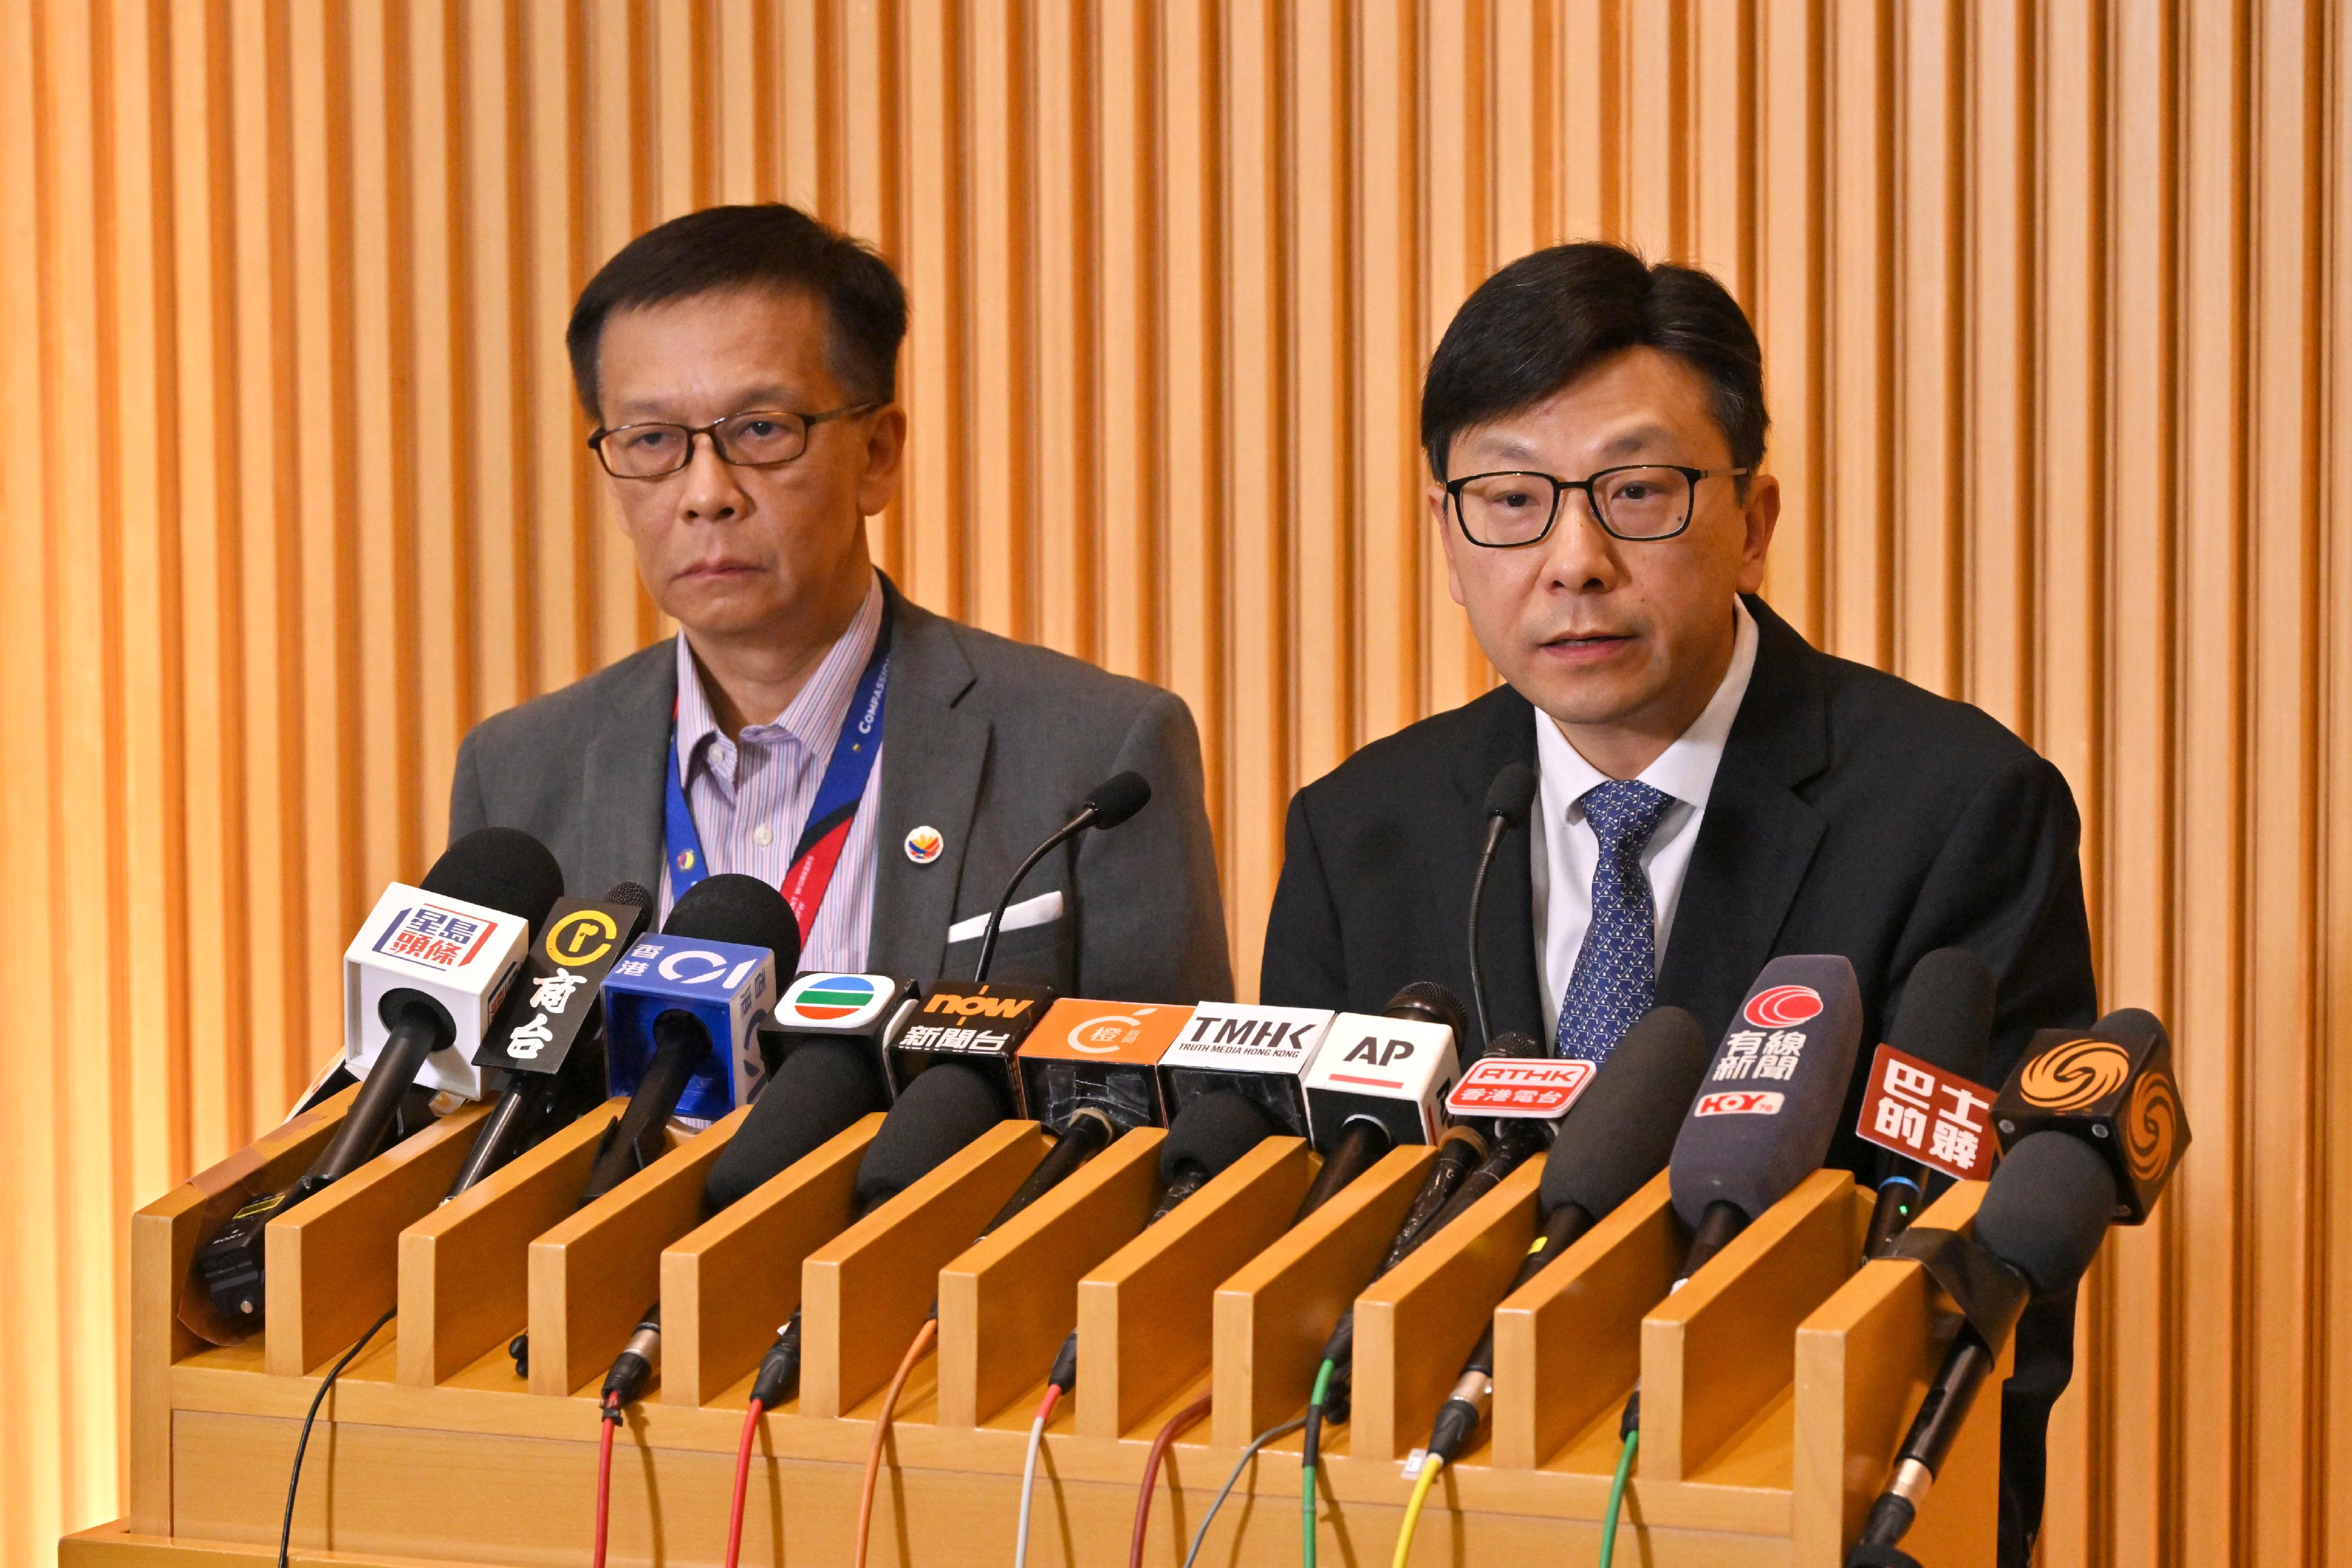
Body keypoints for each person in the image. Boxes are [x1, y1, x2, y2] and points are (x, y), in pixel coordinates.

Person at [1257, 242, 2092, 1565]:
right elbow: (1306, 1244)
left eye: (1635, 492)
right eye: (1510, 499)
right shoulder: (1360, 829)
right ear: (1447, 537)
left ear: (1753, 520)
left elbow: (1987, 1304)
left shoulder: (1958, 811)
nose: (1573, 560)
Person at [449, 203, 1230, 1004]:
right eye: (652, 440)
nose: (707, 494)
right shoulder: (515, 774)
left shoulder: (1096, 753)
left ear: (877, 454)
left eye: (761, 429)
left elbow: (1166, 1078)